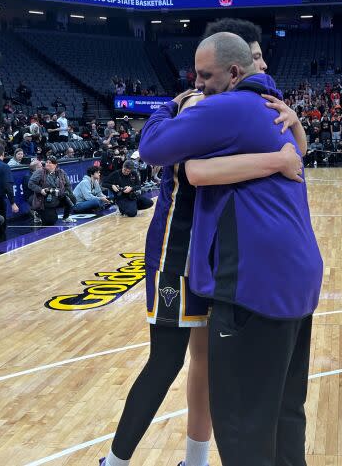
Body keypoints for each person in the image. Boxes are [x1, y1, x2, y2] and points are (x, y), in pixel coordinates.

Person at [138, 32, 323, 466]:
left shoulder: (227, 107)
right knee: (284, 411)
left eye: (205, 76)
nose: (198, 85)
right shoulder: (270, 106)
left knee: (241, 426)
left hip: (253, 282)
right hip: (299, 277)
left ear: (235, 73)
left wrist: (170, 105)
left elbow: (152, 148)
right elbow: (201, 171)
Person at [28, 156, 75, 225]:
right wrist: (41, 190)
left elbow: (68, 185)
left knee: (72, 198)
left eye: (50, 163)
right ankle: (38, 213)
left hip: (58, 196)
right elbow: (30, 184)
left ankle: (66, 217)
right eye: (47, 162)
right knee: (50, 221)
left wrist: (68, 193)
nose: (47, 164)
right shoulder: (40, 172)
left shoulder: (61, 172)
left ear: (55, 165)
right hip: (45, 199)